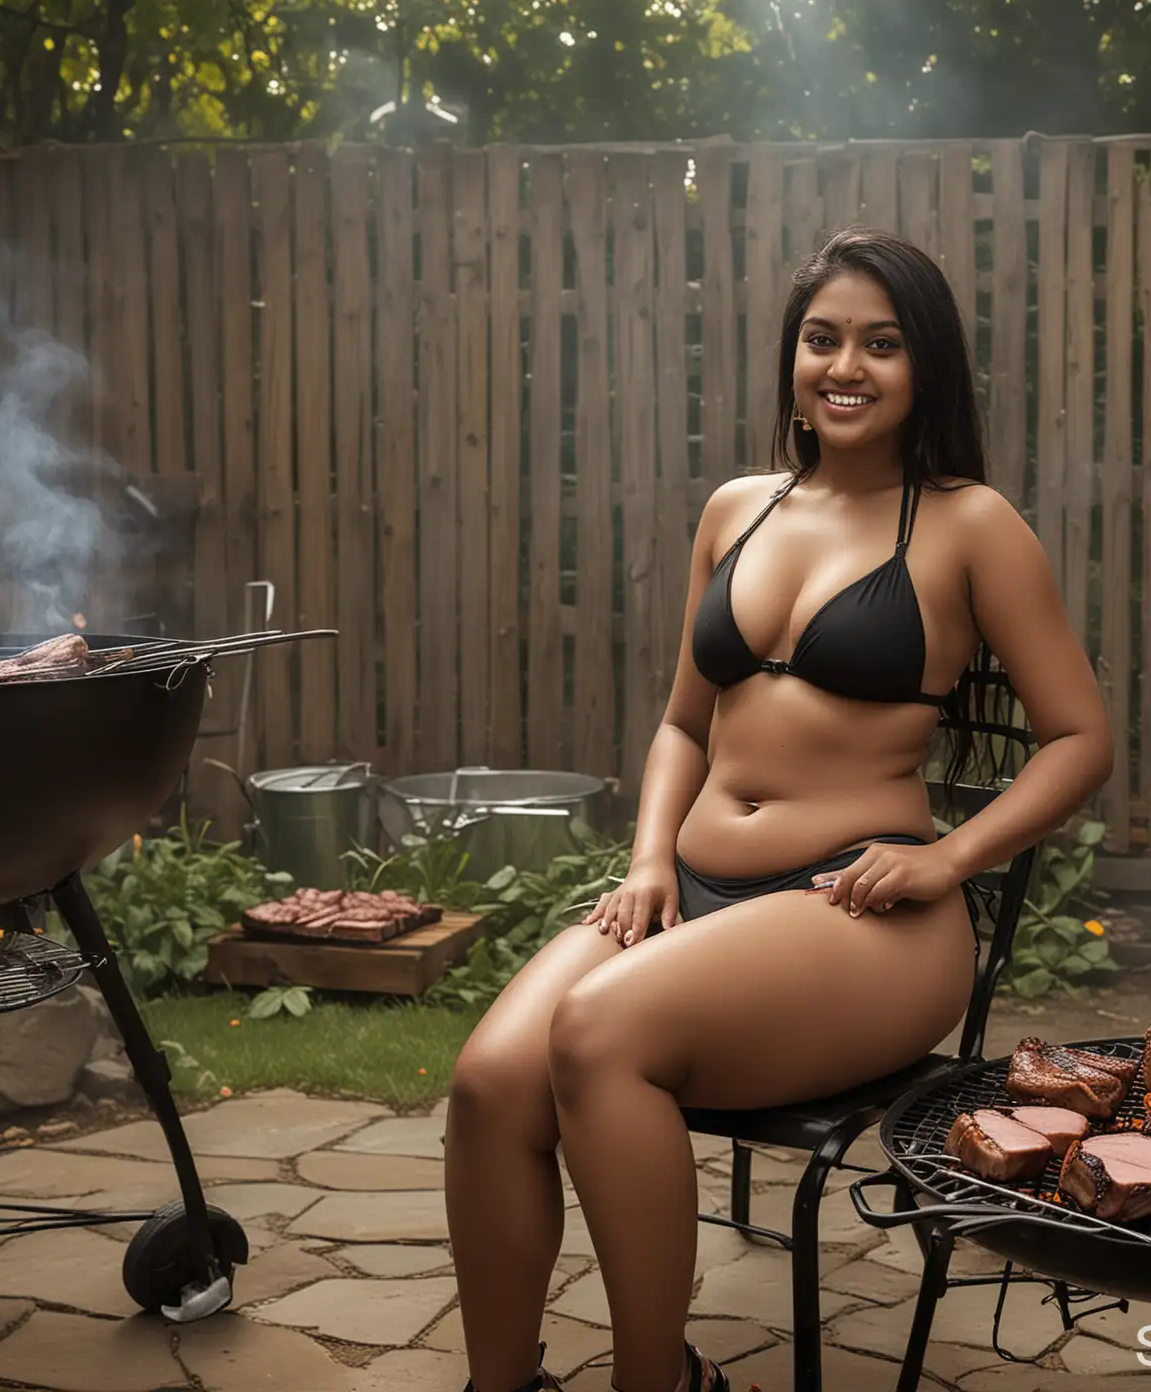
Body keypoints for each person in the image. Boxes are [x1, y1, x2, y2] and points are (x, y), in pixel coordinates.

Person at [443, 226, 1113, 1392]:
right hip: (694, 894)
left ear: (925, 371)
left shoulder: (969, 525)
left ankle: (661, 1383)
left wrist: (949, 860)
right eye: (822, 339)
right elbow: (680, 725)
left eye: (881, 343)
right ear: (791, 359)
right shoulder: (736, 508)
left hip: (862, 909)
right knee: (490, 1081)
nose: (844, 365)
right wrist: (651, 858)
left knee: (596, 1036)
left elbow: (1082, 739)